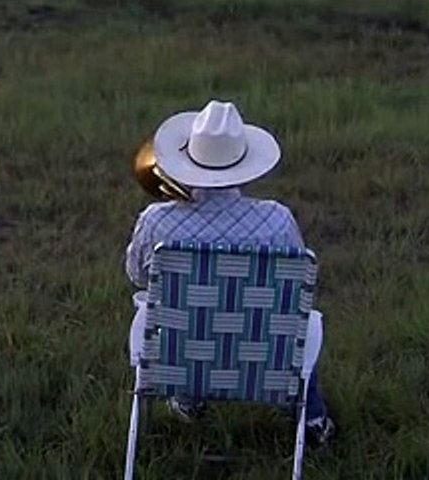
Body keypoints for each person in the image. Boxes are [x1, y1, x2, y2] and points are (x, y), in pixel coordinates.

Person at [124, 99, 336, 447]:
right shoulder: (277, 219)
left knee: (176, 314)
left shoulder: (156, 221)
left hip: (181, 351)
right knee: (300, 324)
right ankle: (312, 418)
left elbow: (136, 275)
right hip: (262, 354)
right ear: (244, 162)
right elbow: (296, 289)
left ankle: (189, 397)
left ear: (188, 159)